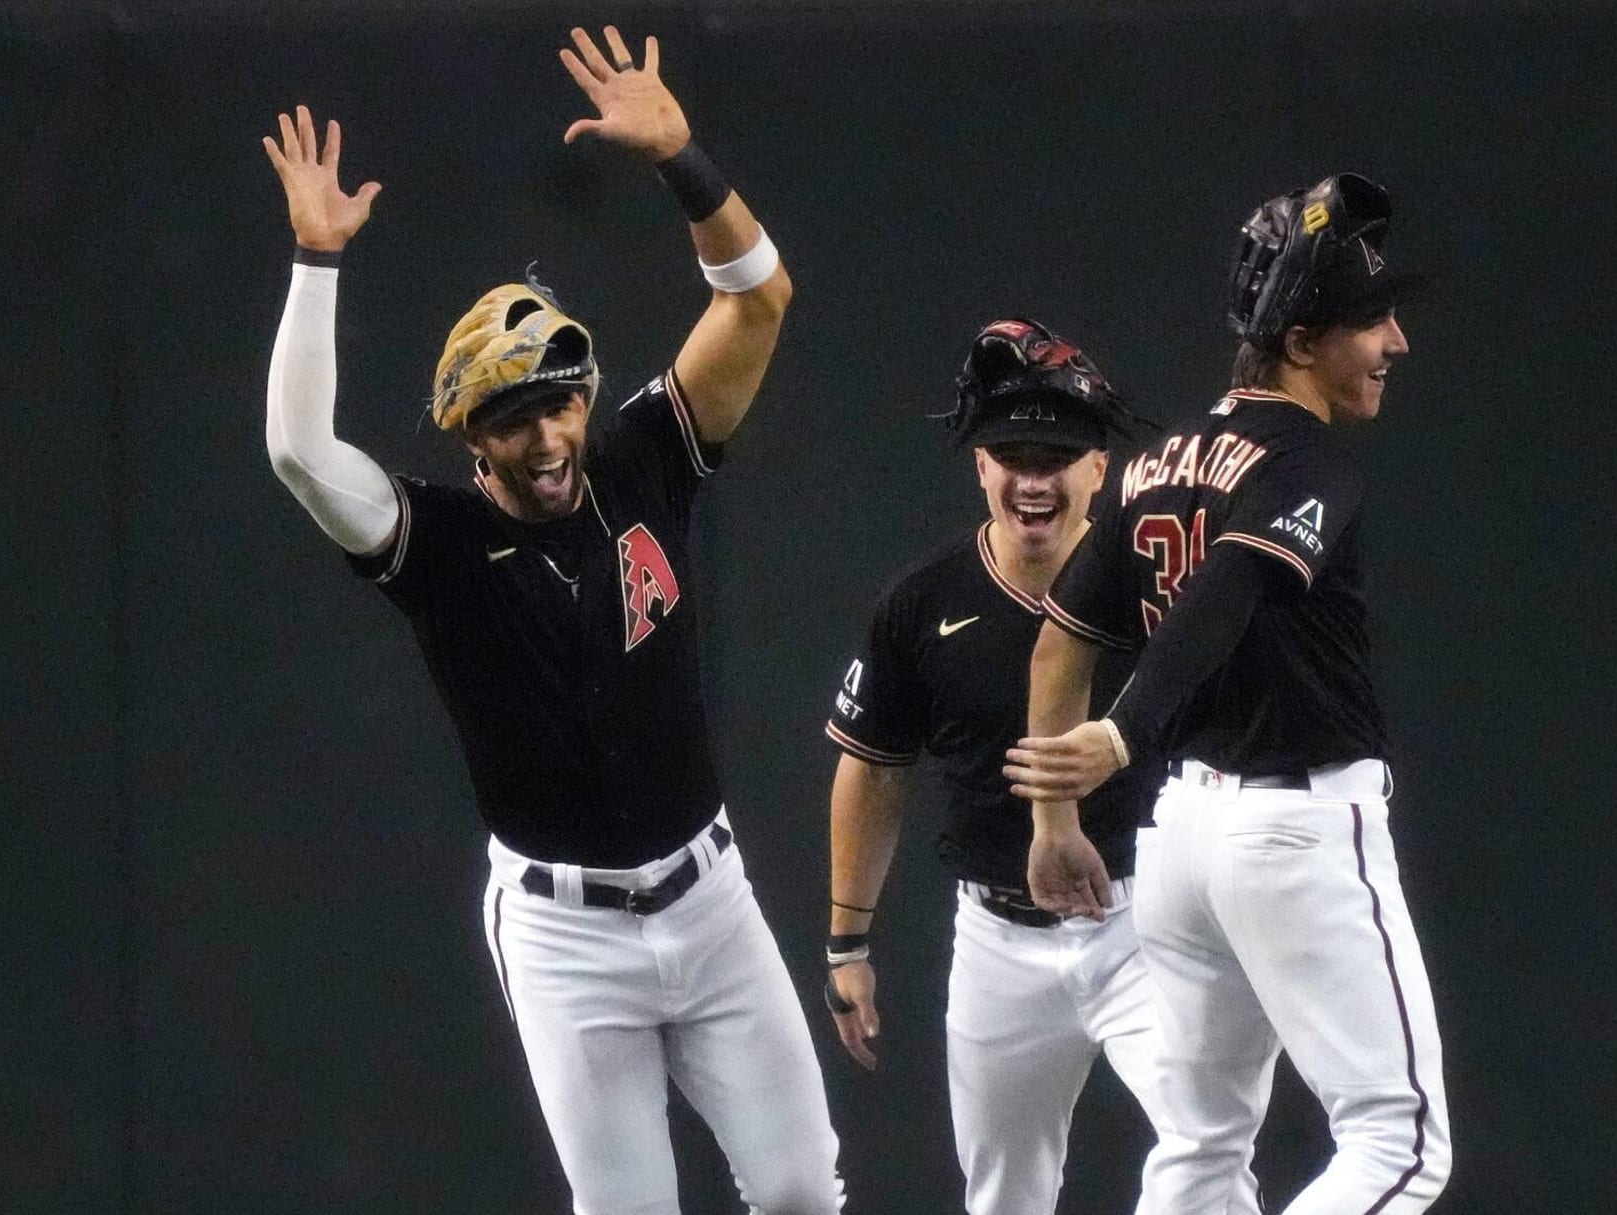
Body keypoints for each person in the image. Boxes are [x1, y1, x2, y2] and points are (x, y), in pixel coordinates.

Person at [259, 26, 840, 1214]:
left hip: (710, 898)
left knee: (799, 1193)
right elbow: (298, 451)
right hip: (565, 934)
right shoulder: (440, 545)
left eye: (557, 405)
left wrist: (685, 160)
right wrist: (317, 262)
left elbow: (761, 299)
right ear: (472, 437)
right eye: (513, 419)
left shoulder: (637, 459)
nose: (546, 438)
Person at [1002, 173, 1453, 1214]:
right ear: (1300, 341)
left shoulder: (1157, 462)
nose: (1396, 343)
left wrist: (1053, 821)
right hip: (1294, 830)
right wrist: (1121, 737)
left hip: (1182, 843)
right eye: (1371, 320)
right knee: (1400, 1145)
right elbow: (1230, 588)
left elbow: (1060, 643)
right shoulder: (1309, 457)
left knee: (1201, 1149)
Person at [823, 320, 1236, 1214]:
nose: (1034, 477)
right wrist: (848, 938)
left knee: (1209, 1149)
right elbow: (873, 767)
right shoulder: (923, 601)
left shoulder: (1165, 582)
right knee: (1004, 1195)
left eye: (1059, 452)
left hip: (1148, 920)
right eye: (1010, 451)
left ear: (1101, 468)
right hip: (1000, 938)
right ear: (978, 465)